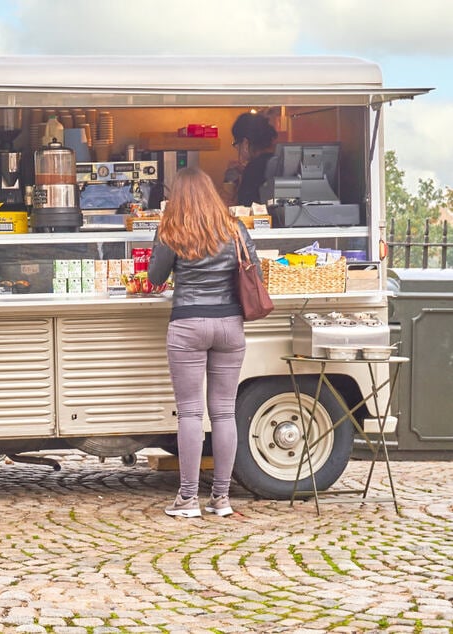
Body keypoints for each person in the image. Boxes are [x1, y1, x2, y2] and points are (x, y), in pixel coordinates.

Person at [147, 167, 263, 518]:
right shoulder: (234, 228)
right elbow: (255, 273)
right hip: (230, 325)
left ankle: (187, 499)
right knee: (225, 412)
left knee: (191, 412)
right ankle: (222, 499)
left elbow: (155, 277)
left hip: (188, 325)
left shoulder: (172, 231)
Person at [224, 112, 278, 206]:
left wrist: (234, 183)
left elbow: (244, 210)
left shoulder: (253, 168)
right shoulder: (278, 161)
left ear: (245, 143)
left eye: (236, 144)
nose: (237, 149)